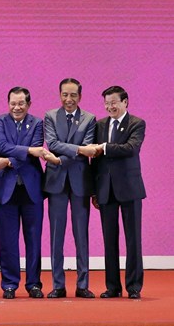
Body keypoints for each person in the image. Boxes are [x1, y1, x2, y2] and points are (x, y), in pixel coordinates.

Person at [42, 78, 97, 299]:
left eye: (73, 95)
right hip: (56, 182)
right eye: (65, 94)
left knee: (81, 234)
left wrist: (62, 156)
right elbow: (52, 144)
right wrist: (79, 150)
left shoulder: (90, 119)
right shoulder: (50, 116)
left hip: (80, 182)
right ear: (60, 95)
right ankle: (58, 285)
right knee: (56, 235)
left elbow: (90, 148)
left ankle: (82, 284)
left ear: (80, 97)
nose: (69, 99)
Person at [0, 86, 47, 299]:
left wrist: (9, 161)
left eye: (21, 103)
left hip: (32, 189)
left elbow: (36, 150)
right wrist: (28, 152)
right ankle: (9, 284)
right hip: (6, 189)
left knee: (34, 240)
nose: (16, 107)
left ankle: (34, 284)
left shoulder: (37, 123)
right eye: (13, 103)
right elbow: (2, 145)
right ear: (8, 104)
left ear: (29, 104)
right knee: (7, 240)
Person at [91, 85, 146, 299]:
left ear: (125, 102)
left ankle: (133, 287)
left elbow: (132, 148)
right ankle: (112, 286)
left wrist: (104, 147)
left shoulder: (136, 123)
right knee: (109, 240)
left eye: (114, 101)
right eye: (107, 102)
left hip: (130, 190)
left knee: (133, 240)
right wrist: (94, 191)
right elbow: (94, 161)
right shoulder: (100, 124)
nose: (110, 106)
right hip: (106, 190)